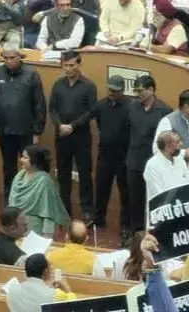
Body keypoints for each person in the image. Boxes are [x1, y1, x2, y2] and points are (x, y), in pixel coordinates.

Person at [0, 46, 47, 202]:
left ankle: (30, 199)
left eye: (12, 58)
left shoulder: (32, 74)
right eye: (5, 58)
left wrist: (37, 132)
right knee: (8, 169)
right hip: (5, 131)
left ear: (20, 57)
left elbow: (39, 104)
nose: (9, 61)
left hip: (26, 132)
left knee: (30, 168)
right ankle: (10, 200)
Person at [50, 51, 97, 223]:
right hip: (61, 136)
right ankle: (64, 210)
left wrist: (73, 125)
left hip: (81, 137)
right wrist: (59, 125)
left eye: (72, 65)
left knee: (85, 174)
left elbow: (92, 111)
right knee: (62, 174)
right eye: (66, 65)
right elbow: (52, 109)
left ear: (79, 65)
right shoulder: (58, 85)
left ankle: (87, 212)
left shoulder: (88, 86)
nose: (68, 69)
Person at [124, 75, 171, 233]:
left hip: (154, 165)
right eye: (136, 91)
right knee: (134, 202)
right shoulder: (132, 107)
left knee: (154, 202)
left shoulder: (164, 111)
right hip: (134, 163)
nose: (138, 94)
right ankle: (136, 236)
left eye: (141, 91)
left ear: (151, 90)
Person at [92, 74, 132, 239]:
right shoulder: (101, 105)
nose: (111, 93)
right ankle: (98, 219)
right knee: (101, 188)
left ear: (122, 90)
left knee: (125, 193)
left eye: (115, 91)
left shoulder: (131, 107)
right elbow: (99, 123)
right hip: (105, 155)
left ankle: (125, 224)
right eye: (110, 90)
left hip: (123, 156)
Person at [9, 145, 70, 235]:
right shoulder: (19, 176)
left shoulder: (44, 181)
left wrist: (47, 235)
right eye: (22, 156)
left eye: (25, 157)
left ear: (35, 161)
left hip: (35, 230)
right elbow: (11, 203)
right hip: (16, 226)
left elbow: (48, 211)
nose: (21, 160)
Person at [5, 253, 77, 312]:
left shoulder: (12, 289)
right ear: (46, 271)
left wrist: (47, 288)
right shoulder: (55, 294)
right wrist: (67, 289)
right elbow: (75, 309)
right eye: (49, 266)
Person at [154, 89, 189, 181]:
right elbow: (157, 149)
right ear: (186, 107)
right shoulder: (168, 121)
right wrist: (183, 153)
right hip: (175, 178)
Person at [144, 131, 189, 200]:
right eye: (177, 142)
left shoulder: (179, 159)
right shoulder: (152, 165)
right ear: (167, 146)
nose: (181, 144)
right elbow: (160, 195)